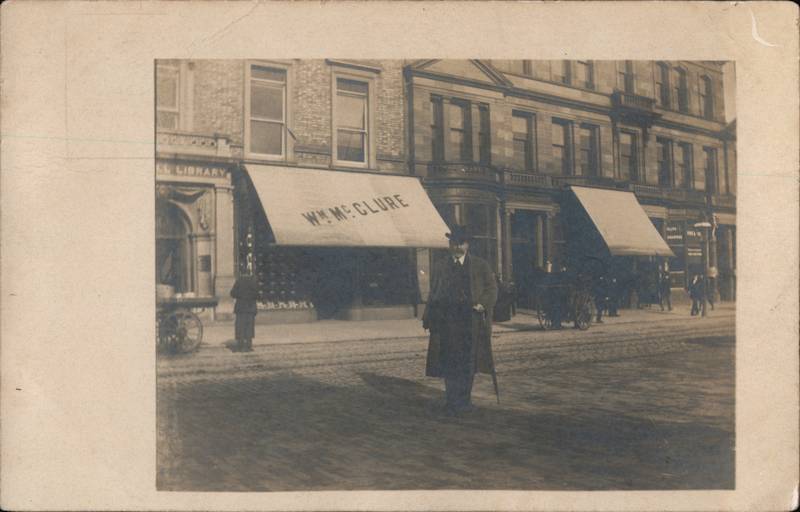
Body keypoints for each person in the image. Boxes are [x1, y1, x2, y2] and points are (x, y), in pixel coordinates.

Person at [423, 225, 498, 416]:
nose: (456, 247)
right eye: (453, 243)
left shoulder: (480, 265)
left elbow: (492, 289)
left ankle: (464, 401)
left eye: (460, 243)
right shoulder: (440, 266)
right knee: (448, 361)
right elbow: (433, 293)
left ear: (467, 245)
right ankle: (451, 400)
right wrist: (428, 316)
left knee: (467, 362)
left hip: (470, 322)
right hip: (446, 322)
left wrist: (482, 304)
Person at [230, 271, 260, 352]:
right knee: (249, 327)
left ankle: (240, 345)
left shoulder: (239, 281)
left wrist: (241, 295)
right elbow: (257, 295)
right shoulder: (253, 281)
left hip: (241, 308)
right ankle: (248, 346)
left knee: (240, 327)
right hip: (250, 307)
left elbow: (232, 293)